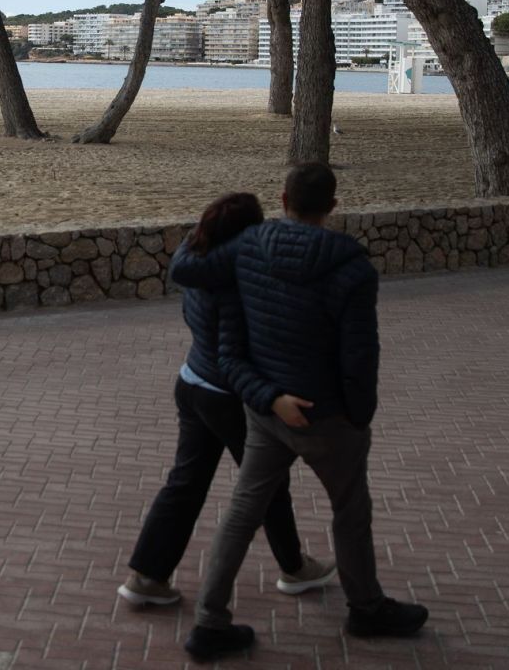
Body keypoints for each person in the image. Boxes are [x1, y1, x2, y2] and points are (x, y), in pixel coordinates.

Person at [177, 162, 428, 661]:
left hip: (267, 412)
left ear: (282, 199)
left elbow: (188, 271)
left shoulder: (247, 247)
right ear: (332, 207)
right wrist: (358, 417)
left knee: (242, 514)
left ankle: (210, 622)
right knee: (350, 513)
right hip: (329, 419)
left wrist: (268, 398)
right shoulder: (353, 269)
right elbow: (360, 355)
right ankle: (366, 608)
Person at [118, 192, 335, 608]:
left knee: (185, 484)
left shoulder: (198, 257)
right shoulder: (236, 281)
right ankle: (294, 568)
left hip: (192, 383)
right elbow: (238, 352)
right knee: (269, 483)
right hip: (228, 397)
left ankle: (146, 576)